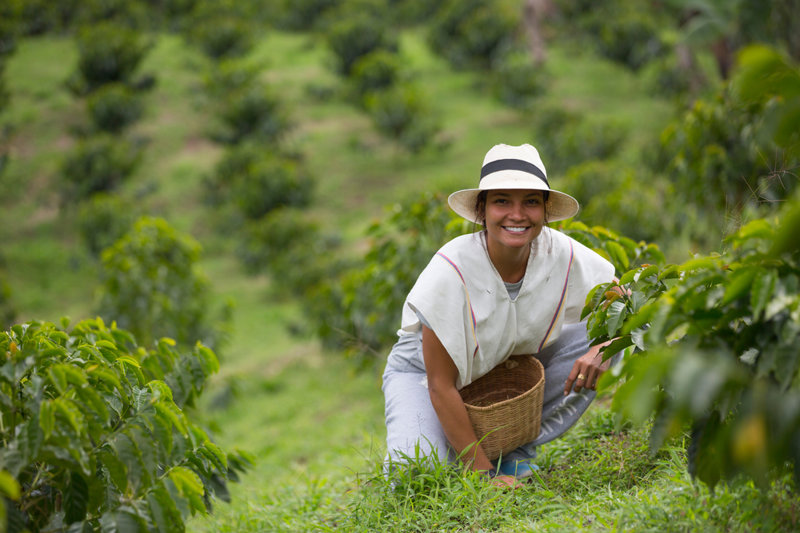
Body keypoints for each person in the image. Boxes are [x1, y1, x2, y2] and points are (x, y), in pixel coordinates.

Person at [382, 143, 617, 488]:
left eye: (531, 201)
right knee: (415, 477)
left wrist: (603, 349)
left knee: (606, 339)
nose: (517, 215)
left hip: (498, 363)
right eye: (502, 200)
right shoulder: (452, 270)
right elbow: (439, 384)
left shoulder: (559, 253)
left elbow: (623, 300)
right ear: (482, 208)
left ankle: (513, 451)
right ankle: (482, 461)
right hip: (425, 374)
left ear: (546, 209)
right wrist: (485, 479)